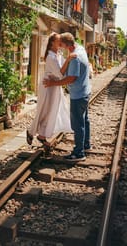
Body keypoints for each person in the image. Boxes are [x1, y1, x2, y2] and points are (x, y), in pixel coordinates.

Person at [43, 32, 91, 161]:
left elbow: (71, 78)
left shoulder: (75, 58)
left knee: (77, 124)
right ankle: (86, 145)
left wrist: (53, 83)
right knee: (84, 120)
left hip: (78, 95)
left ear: (65, 45)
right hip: (85, 91)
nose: (60, 47)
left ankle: (79, 153)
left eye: (61, 44)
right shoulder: (80, 49)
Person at [26, 33, 74, 148]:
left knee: (52, 111)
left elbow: (63, 70)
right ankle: (31, 131)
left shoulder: (58, 54)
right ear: (52, 42)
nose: (61, 43)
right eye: (59, 41)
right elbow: (60, 73)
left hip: (54, 86)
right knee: (43, 111)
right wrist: (68, 59)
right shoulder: (51, 57)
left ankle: (42, 135)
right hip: (48, 87)